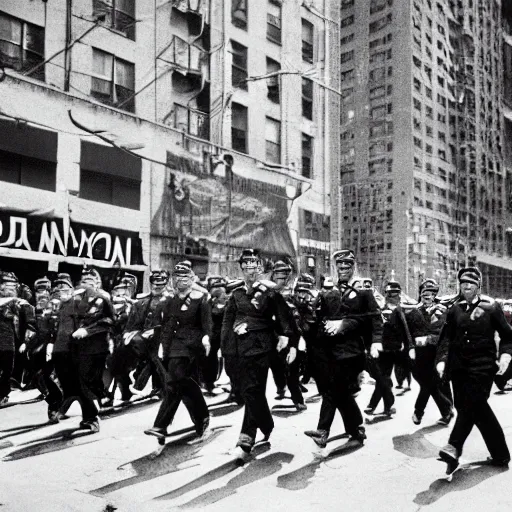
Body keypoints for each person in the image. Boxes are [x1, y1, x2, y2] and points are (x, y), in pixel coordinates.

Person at [304, 249, 383, 449]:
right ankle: (357, 428)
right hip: (331, 351)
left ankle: (323, 431)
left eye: (348, 265)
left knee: (333, 390)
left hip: (353, 351)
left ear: (353, 266)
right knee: (340, 393)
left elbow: (373, 318)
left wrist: (376, 342)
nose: (344, 269)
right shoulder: (329, 290)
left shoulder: (363, 291)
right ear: (335, 267)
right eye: (340, 266)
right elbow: (318, 317)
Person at [221, 249, 295, 461]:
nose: (250, 272)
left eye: (254, 267)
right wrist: (226, 349)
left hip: (263, 347)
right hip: (241, 348)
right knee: (249, 390)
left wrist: (286, 337)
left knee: (253, 388)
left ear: (260, 269)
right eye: (246, 267)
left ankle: (246, 438)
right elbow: (228, 322)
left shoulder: (269, 292)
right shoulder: (236, 294)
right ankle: (267, 423)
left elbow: (284, 316)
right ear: (242, 269)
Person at [436, 267, 512, 468]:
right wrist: (442, 360)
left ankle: (453, 446)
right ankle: (501, 454)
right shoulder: (454, 310)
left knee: (472, 404)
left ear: (479, 285)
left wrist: (505, 355)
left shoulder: (491, 307)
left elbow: (508, 335)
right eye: (462, 282)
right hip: (459, 369)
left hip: (483, 368)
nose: (466, 285)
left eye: (470, 282)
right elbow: (446, 339)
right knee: (474, 410)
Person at [144, 263, 212, 443]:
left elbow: (207, 324)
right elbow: (166, 326)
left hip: (191, 347)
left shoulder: (200, 298)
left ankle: (160, 425)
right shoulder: (169, 301)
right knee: (184, 385)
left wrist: (206, 338)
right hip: (172, 347)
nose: (179, 281)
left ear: (191, 280)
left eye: (184, 278)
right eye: (176, 278)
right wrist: (161, 346)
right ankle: (202, 419)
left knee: (174, 382)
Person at [54, 268, 114, 432]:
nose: (87, 283)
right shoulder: (74, 300)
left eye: (91, 280)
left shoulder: (103, 298)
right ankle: (89, 415)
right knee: (78, 382)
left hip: (96, 349)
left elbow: (109, 320)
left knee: (86, 382)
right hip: (76, 349)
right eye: (84, 280)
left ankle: (92, 417)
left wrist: (89, 331)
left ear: (97, 282)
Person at [407, 279, 453, 425]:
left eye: (431, 294)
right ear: (420, 294)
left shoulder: (442, 312)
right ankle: (447, 409)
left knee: (437, 383)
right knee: (429, 383)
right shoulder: (414, 312)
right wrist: (411, 346)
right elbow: (408, 332)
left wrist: (428, 339)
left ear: (435, 295)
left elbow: (444, 334)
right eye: (424, 294)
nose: (427, 297)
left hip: (437, 353)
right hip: (420, 355)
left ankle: (422, 411)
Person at [365, 281, 411, 416]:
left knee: (384, 378)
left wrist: (409, 347)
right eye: (390, 293)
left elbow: (406, 330)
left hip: (397, 349)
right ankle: (386, 406)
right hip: (383, 350)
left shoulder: (401, 310)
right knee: (383, 378)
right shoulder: (380, 309)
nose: (393, 296)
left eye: (395, 293)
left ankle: (378, 406)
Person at [23, 277, 63, 422]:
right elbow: (33, 329)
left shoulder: (57, 305)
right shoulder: (32, 308)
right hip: (39, 346)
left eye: (45, 290)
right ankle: (53, 401)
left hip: (57, 345)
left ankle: (55, 405)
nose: (42, 294)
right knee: (39, 376)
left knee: (50, 375)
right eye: (39, 290)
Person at [124, 270, 170, 396]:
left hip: (166, 337)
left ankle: (142, 384)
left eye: (161, 285)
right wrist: (129, 333)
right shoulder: (143, 301)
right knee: (152, 357)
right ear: (151, 284)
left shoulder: (172, 299)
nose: (158, 287)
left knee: (155, 358)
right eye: (155, 285)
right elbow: (135, 322)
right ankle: (157, 387)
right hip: (146, 338)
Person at [271, 261, 305, 411]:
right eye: (280, 277)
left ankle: (297, 399)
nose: (283, 280)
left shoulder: (292, 295)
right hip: (274, 338)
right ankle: (281, 387)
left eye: (285, 277)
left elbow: (297, 318)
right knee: (277, 368)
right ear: (273, 276)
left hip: (292, 336)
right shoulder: (269, 295)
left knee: (292, 369)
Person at [0, 272, 36, 407]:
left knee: (7, 369)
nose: (11, 290)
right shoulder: (7, 301)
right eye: (8, 286)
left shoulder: (19, 304)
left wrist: (25, 342)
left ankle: (2, 395)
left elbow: (30, 323)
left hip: (9, 342)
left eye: (13, 287)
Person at [201, 276, 228, 395]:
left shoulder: (228, 302)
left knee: (228, 358)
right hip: (214, 334)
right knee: (210, 358)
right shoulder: (207, 303)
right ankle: (209, 383)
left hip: (224, 334)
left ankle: (215, 382)